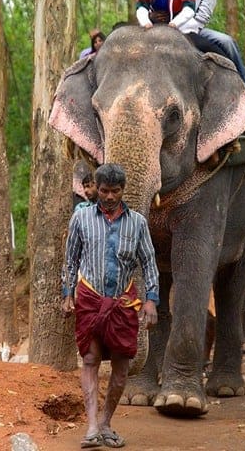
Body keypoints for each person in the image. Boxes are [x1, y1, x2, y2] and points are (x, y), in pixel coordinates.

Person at [62, 163, 159, 449]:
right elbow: (70, 260)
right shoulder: (80, 219)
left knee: (121, 367)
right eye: (104, 191)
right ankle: (91, 427)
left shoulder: (138, 223)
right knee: (90, 360)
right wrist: (67, 293)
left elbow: (149, 263)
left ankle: (106, 422)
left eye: (115, 191)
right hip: (89, 299)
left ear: (123, 191)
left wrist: (151, 300)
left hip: (123, 303)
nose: (109, 197)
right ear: (95, 189)